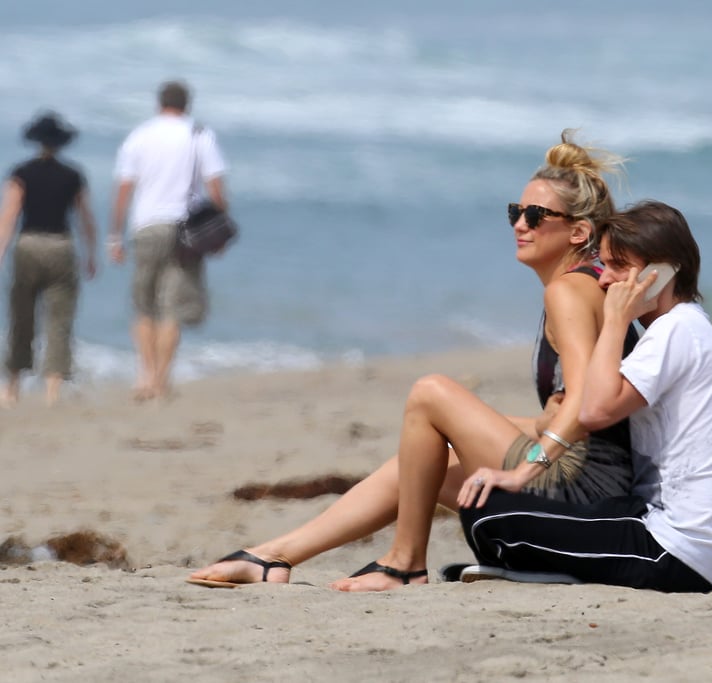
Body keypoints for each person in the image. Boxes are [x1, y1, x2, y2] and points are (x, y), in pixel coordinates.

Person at [188, 131, 639, 591]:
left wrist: (529, 461)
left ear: (579, 232)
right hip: (597, 475)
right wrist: (526, 422)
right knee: (423, 457)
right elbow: (585, 409)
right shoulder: (588, 285)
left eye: (535, 215)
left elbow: (585, 404)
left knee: (430, 394)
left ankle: (404, 563)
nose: (519, 224)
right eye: (514, 212)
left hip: (586, 489)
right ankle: (274, 556)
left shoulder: (569, 291)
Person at [459, 200, 712, 593]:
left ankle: (552, 571)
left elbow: (595, 411)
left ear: (659, 273)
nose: (603, 280)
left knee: (485, 515)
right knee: (499, 504)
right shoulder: (682, 328)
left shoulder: (676, 332)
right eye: (603, 264)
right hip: (667, 530)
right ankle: (557, 567)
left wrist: (614, 320)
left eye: (618, 266)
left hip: (679, 552)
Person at [108, 80, 228, 401]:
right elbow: (215, 186)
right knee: (172, 308)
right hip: (184, 230)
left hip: (145, 225)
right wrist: (220, 230)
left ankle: (145, 376)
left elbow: (123, 190)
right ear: (187, 104)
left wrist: (114, 236)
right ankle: (162, 380)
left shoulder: (140, 136)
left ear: (159, 103)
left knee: (144, 306)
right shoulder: (199, 134)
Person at [0, 112, 97, 407]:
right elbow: (85, 218)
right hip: (61, 246)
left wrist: (0, 252)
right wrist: (91, 253)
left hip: (29, 245)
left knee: (21, 317)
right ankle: (52, 389)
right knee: (59, 319)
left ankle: (13, 387)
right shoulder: (73, 175)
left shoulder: (22, 172)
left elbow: (10, 215)